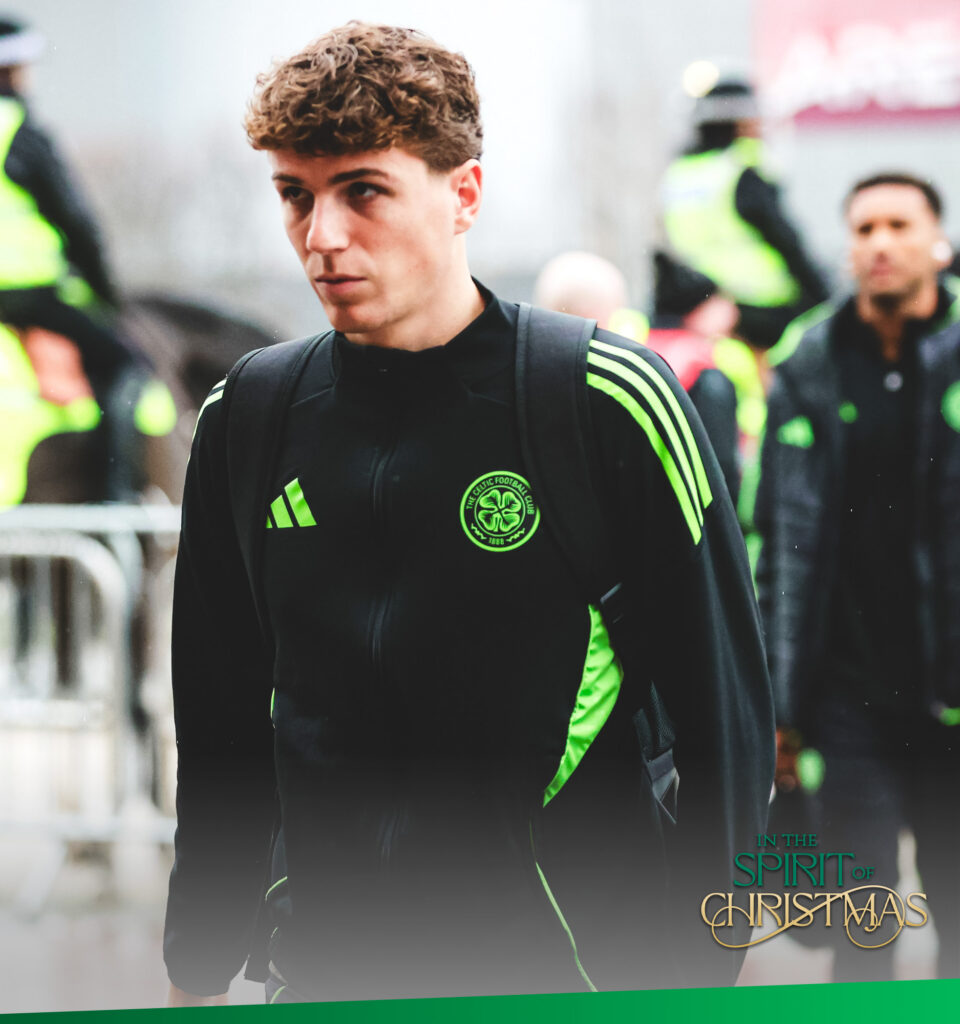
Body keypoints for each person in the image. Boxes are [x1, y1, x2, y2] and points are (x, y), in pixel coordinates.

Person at [164, 22, 773, 1005]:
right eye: (295, 195)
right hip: (323, 969)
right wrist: (195, 964)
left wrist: (699, 966)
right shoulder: (250, 416)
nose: (321, 236)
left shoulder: (601, 399)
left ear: (464, 196)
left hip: (568, 968)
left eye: (363, 191)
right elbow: (219, 715)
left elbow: (726, 724)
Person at [756, 172, 960, 982]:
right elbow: (780, 539)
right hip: (849, 700)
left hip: (951, 691)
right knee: (861, 930)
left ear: (937, 243)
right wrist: (778, 701)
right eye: (864, 227)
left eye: (899, 225)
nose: (880, 243)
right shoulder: (808, 363)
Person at [0, 14, 147, 498]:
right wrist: (106, 297)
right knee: (124, 365)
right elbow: (76, 225)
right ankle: (116, 504)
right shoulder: (16, 132)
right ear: (5, 71)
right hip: (15, 297)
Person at [661, 76, 829, 352]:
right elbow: (784, 238)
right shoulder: (743, 168)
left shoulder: (681, 173)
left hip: (700, 302)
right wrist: (822, 296)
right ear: (741, 122)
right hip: (760, 306)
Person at [647, 251, 741, 505]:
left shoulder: (641, 353)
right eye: (720, 301)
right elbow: (720, 466)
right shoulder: (705, 374)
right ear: (697, 311)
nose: (732, 312)